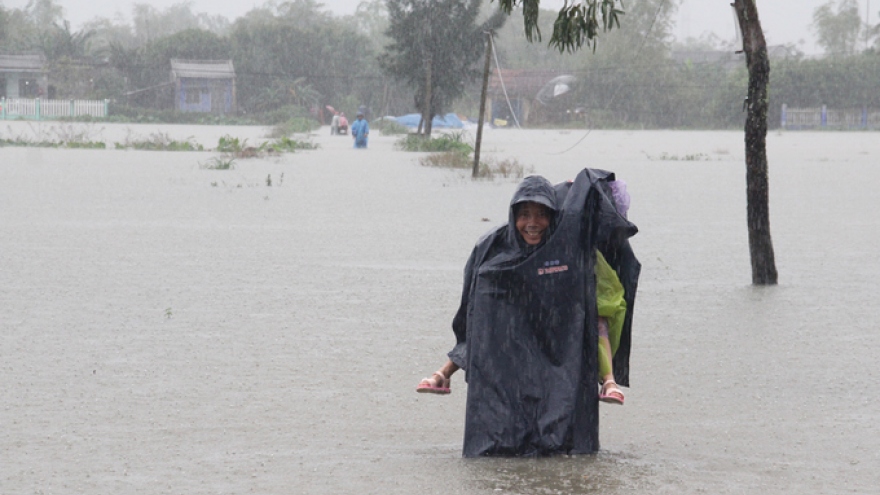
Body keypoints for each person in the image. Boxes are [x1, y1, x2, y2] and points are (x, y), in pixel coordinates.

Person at [416, 171, 640, 457]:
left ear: (553, 216)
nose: (532, 224)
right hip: (510, 348)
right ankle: (443, 373)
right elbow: (476, 319)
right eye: (525, 215)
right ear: (513, 215)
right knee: (488, 318)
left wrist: (584, 189)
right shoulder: (494, 251)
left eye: (541, 215)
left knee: (594, 318)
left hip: (557, 351)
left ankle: (607, 381)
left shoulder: (568, 248)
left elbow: (599, 221)